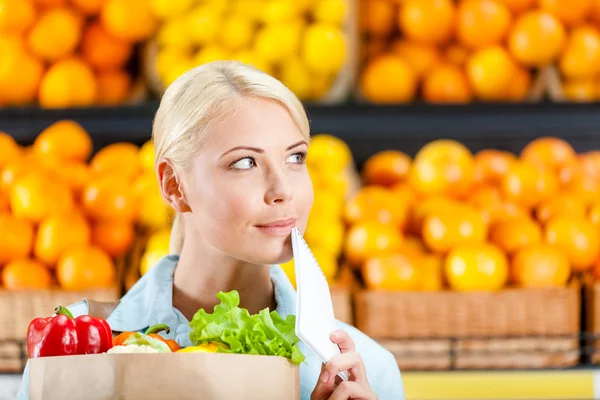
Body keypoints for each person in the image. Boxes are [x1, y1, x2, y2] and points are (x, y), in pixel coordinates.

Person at [18, 61, 404, 400]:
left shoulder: (363, 370)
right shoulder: (70, 345)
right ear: (174, 185)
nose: (283, 189)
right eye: (245, 163)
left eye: (295, 157)